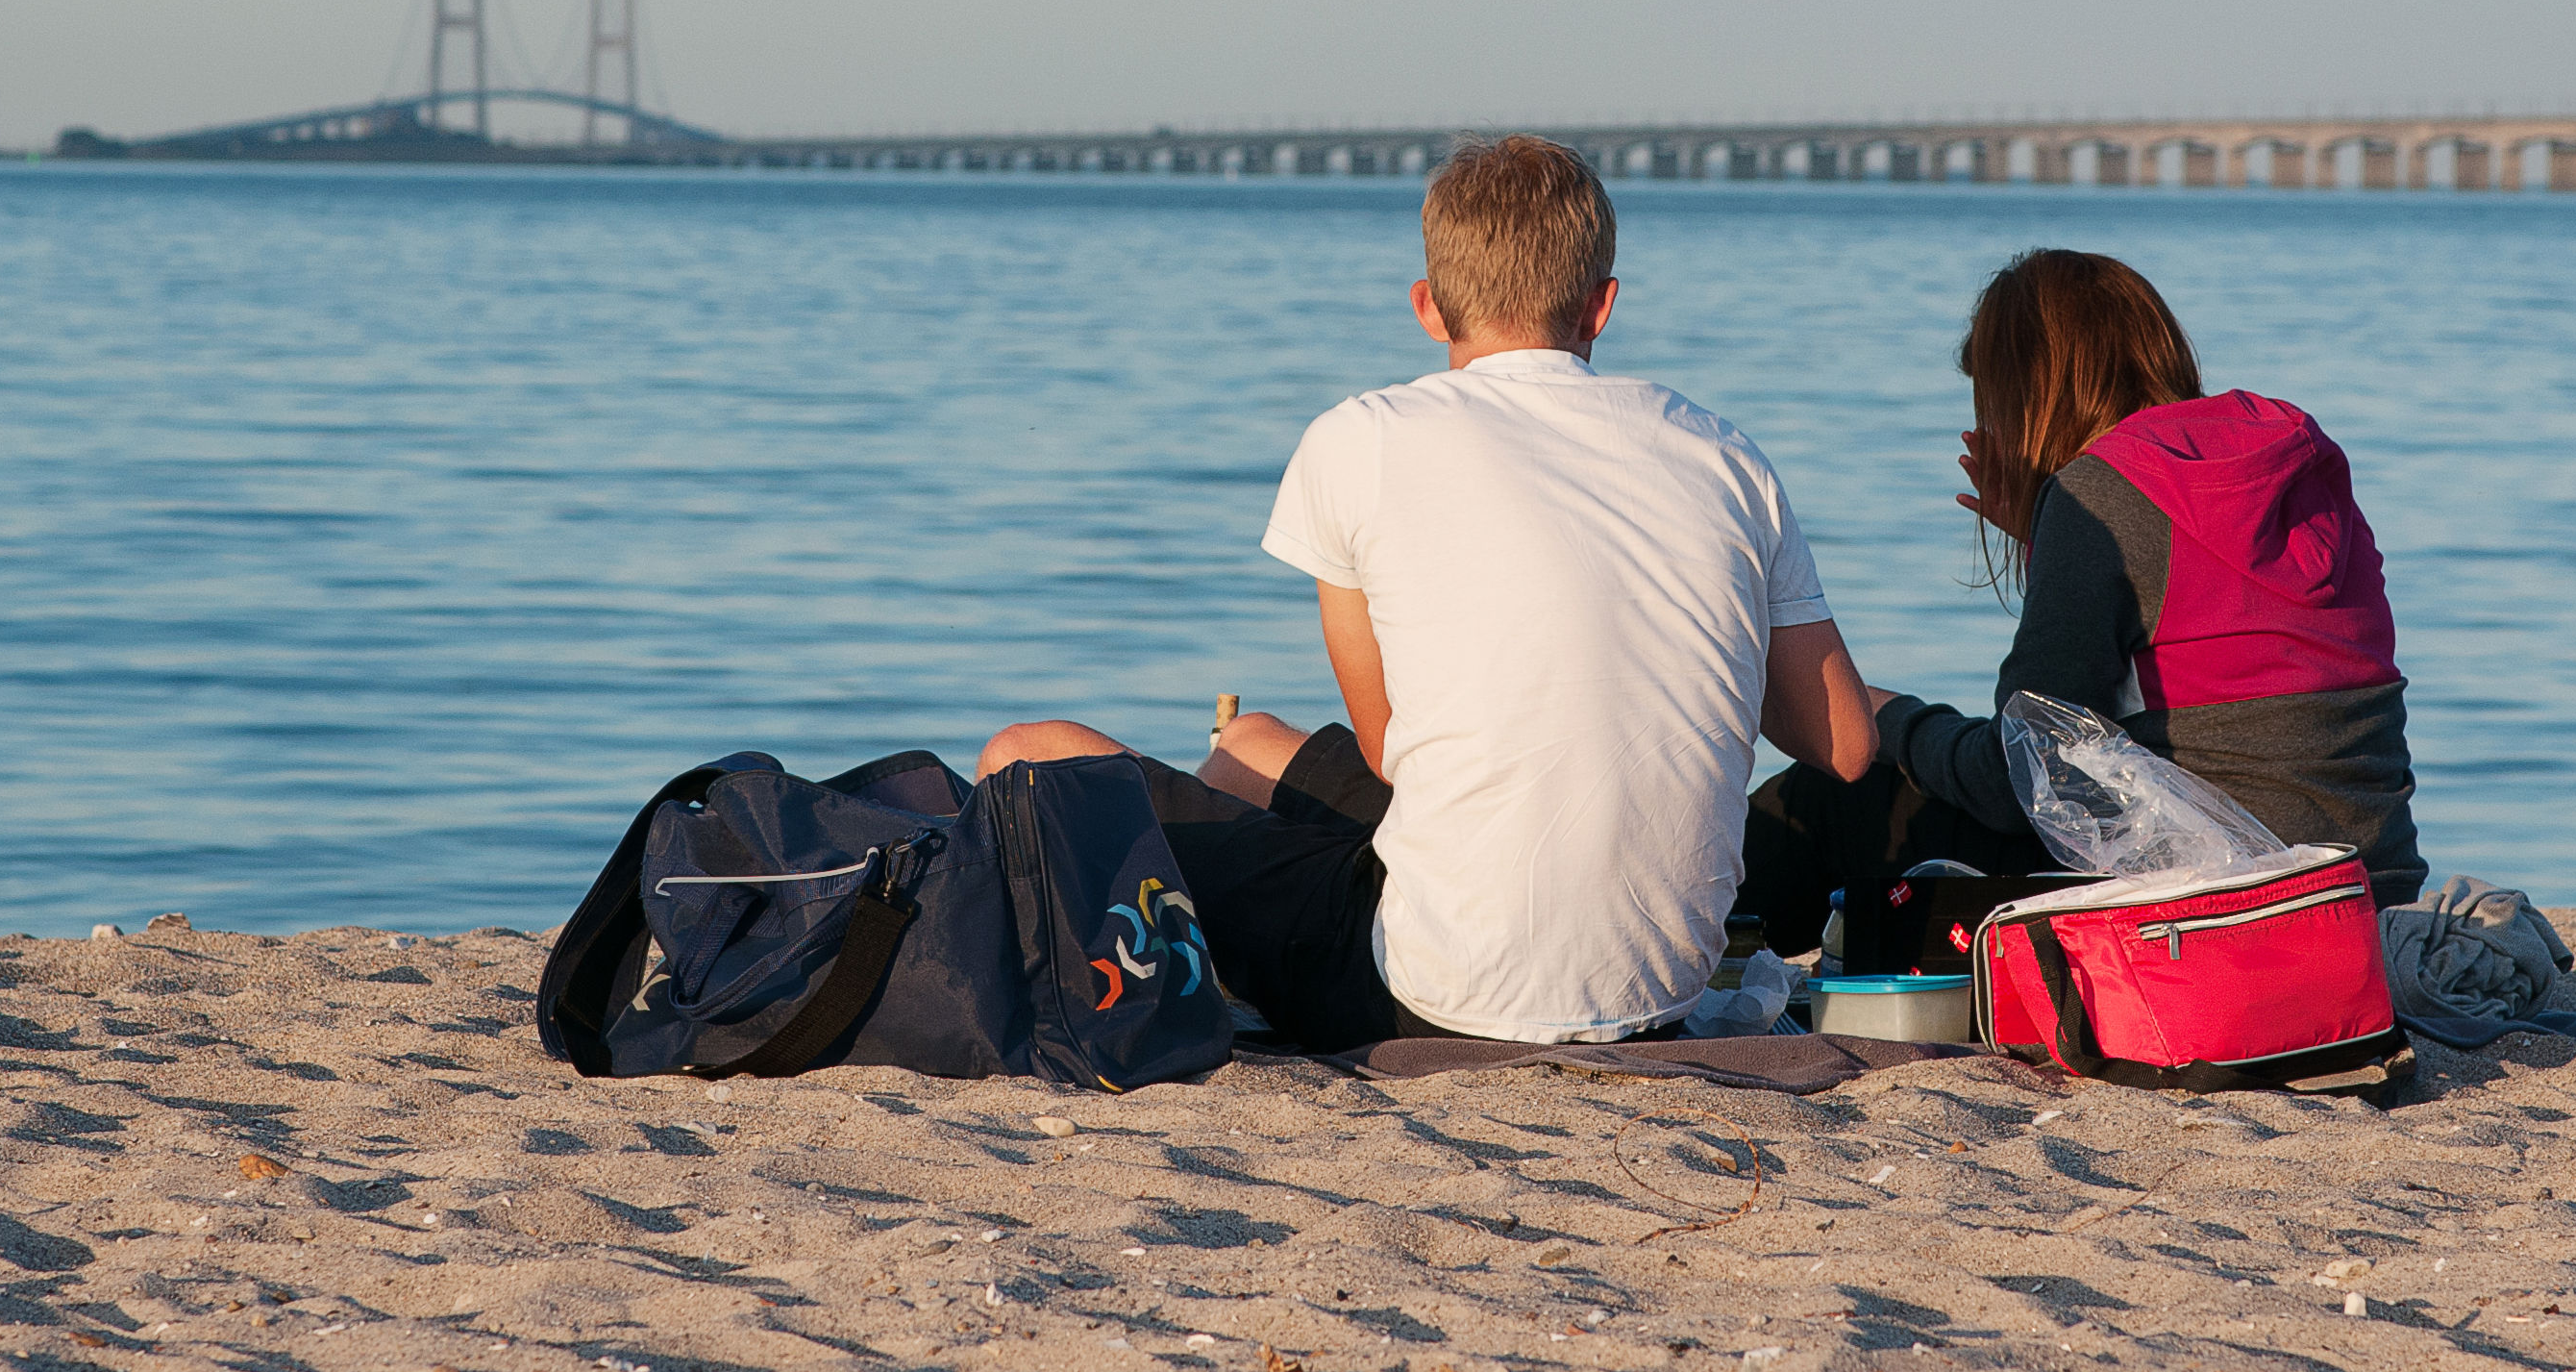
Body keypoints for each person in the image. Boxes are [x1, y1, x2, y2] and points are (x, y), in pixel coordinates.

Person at [981, 136, 1879, 1050]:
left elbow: (1385, 747)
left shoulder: (1360, 439)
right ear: (1601, 308)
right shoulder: (1724, 455)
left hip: (1428, 996)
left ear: (1428, 307)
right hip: (1659, 992)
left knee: (1028, 752)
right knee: (1250, 744)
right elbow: (1843, 746)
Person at [1737, 248, 2426, 953]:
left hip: (2221, 904)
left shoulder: (2102, 496)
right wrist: (2047, 536)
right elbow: (2182, 656)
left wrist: (1888, 722)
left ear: (2030, 392)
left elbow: (2019, 783)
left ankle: (1694, 961)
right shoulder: (2292, 459)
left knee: (1838, 802)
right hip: (2366, 888)